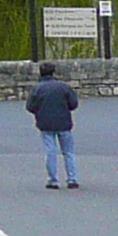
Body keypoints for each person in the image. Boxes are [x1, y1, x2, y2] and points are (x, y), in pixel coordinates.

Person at [28, 60, 80, 189]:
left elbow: (30, 106)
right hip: (64, 122)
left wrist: (39, 111)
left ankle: (53, 180)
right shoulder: (63, 87)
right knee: (68, 152)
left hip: (45, 123)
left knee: (50, 151)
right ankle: (72, 179)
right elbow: (73, 104)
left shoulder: (37, 88)